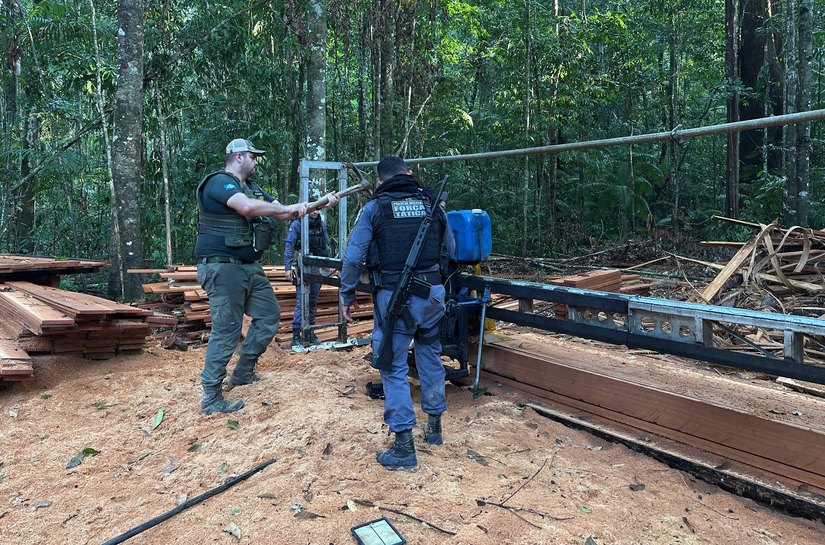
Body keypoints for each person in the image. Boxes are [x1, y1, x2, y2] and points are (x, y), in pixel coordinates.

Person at [195, 138, 338, 414]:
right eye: (252, 156)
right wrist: (286, 209)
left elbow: (286, 210)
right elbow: (247, 208)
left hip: (248, 266)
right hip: (222, 267)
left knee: (269, 315)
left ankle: (243, 371)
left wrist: (318, 205)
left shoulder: (252, 188)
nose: (256, 161)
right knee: (227, 329)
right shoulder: (218, 183)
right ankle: (211, 396)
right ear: (238, 157)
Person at [339, 156, 454, 471]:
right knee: (430, 354)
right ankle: (434, 428)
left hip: (396, 298)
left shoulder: (375, 209)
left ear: (379, 180)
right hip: (433, 295)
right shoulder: (431, 204)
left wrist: (347, 293)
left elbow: (352, 258)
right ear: (409, 173)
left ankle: (404, 447)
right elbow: (450, 249)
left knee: (391, 365)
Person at [284, 208, 330, 347]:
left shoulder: (321, 225)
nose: (315, 211)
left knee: (312, 301)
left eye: (318, 208)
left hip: (318, 267)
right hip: (302, 267)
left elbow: (326, 244)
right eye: (313, 208)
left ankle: (309, 331)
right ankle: (296, 335)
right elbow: (289, 245)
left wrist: (328, 264)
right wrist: (288, 267)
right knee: (301, 301)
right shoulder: (298, 224)